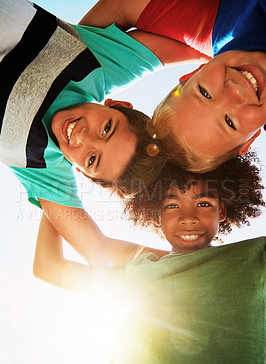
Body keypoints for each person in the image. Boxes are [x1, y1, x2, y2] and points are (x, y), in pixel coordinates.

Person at [33, 154, 265, 364]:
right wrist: (53, 170)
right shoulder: (143, 270)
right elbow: (50, 266)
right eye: (172, 205)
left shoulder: (254, 255)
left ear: (222, 210)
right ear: (157, 215)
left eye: (204, 203)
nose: (188, 217)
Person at [0, 0, 209, 265]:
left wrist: (196, 264)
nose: (82, 137)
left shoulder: (42, 167)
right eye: (107, 128)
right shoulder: (97, 63)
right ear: (118, 105)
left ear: (81, 172)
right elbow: (204, 47)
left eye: (91, 159)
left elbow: (98, 249)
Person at [81, 0, 266, 172]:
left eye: (205, 93)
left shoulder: (214, 25)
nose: (234, 90)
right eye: (229, 122)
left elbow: (121, 6)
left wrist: (69, 88)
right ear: (248, 141)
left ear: (192, 74)